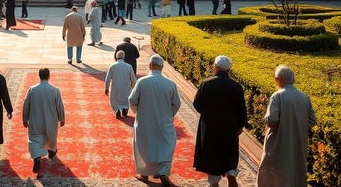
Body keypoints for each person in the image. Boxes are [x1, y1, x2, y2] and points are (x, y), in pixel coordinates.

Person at [256, 65, 316, 187]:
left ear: (278, 79)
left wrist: (283, 125)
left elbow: (271, 120)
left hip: (279, 141)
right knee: (296, 169)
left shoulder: (277, 96)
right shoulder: (304, 97)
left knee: (275, 173)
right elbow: (312, 120)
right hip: (298, 141)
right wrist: (297, 124)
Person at [193, 55, 248, 187]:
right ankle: (231, 174)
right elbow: (242, 109)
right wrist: (240, 125)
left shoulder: (206, 84)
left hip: (211, 126)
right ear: (228, 69)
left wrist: (208, 114)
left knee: (212, 154)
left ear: (216, 67)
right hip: (230, 126)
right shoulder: (236, 86)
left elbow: (197, 104)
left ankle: (214, 183)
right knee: (229, 151)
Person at [128, 54, 181, 187]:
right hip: (164, 122)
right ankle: (163, 172)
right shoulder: (170, 84)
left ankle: (143, 174)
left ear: (150, 66)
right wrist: (169, 115)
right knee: (165, 147)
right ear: (162, 67)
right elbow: (176, 104)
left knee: (144, 146)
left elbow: (132, 100)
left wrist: (138, 112)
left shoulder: (142, 82)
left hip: (145, 122)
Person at [22, 68, 65, 174]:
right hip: (51, 120)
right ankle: (51, 151)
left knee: (34, 139)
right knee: (51, 137)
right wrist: (62, 118)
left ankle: (37, 157)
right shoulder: (55, 90)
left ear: (39, 76)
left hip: (35, 120)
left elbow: (26, 106)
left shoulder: (32, 89)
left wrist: (24, 119)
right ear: (49, 76)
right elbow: (60, 106)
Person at [105, 50, 137, 118]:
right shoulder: (129, 66)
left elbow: (107, 79)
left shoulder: (112, 66)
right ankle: (125, 109)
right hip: (126, 88)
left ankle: (117, 110)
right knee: (125, 101)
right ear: (124, 57)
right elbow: (133, 80)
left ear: (116, 57)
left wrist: (106, 88)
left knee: (114, 101)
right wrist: (133, 88)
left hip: (115, 88)